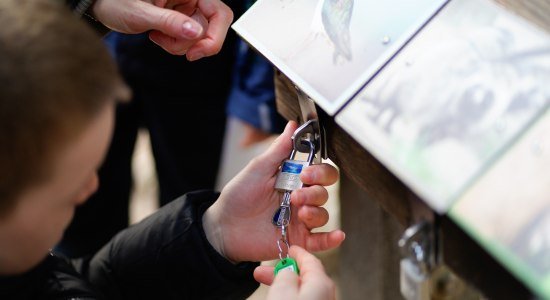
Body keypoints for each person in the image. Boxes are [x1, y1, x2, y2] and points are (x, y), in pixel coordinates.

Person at [0, 0, 344, 299]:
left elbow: (79, 286)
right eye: (67, 188)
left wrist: (214, 237)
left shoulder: (20, 260)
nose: (91, 185)